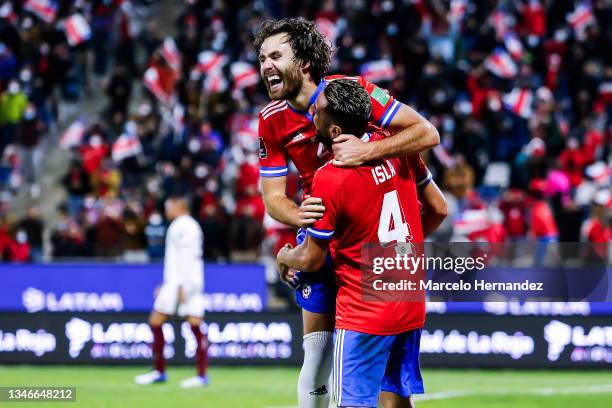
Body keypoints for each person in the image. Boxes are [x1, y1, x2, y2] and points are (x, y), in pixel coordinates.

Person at [253, 18, 439, 407]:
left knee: (387, 384)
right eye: (261, 58)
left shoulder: (352, 94)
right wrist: (303, 219)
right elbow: (273, 198)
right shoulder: (272, 120)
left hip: (369, 244)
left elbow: (426, 133)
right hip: (322, 235)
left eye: (275, 55)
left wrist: (365, 152)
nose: (265, 65)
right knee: (318, 356)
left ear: (304, 61)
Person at [134, 195, 208, 388]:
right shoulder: (186, 225)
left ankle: (161, 372)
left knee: (157, 320)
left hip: (182, 283)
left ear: (179, 206)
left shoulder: (184, 226)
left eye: (169, 206)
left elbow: (188, 257)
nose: (166, 210)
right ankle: (199, 375)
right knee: (194, 324)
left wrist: (183, 285)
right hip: (180, 282)